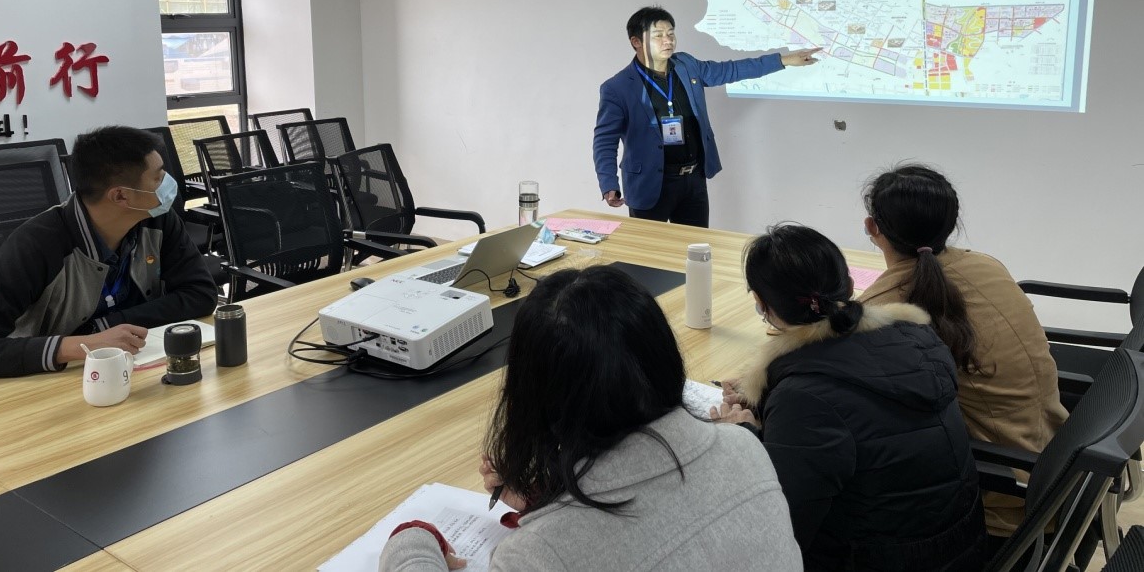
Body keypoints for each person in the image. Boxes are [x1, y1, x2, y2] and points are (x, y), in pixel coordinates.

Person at [379, 266, 802, 572]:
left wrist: (413, 540)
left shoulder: (538, 556)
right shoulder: (746, 449)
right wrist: (550, 502)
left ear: (534, 398)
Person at [712, 224, 987, 572]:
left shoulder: (804, 399)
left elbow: (776, 533)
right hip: (962, 549)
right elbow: (857, 413)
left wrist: (743, 440)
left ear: (762, 304)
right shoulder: (915, 338)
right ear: (851, 284)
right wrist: (766, 399)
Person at [858, 164, 1066, 540]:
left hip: (1007, 496)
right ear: (950, 223)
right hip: (1056, 458)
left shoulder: (883, 308)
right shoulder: (985, 264)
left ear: (872, 227)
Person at [0, 126, 218, 382]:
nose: (168, 182)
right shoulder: (39, 243)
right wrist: (80, 344)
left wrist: (105, 327)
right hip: (45, 384)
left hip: (131, 372)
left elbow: (201, 293)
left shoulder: (156, 219)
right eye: (158, 177)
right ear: (120, 195)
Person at [593, 5, 819, 226]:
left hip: (693, 179)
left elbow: (731, 69)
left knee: (696, 246)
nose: (668, 40)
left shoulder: (687, 65)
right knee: (650, 249)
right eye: (658, 35)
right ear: (636, 42)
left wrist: (784, 60)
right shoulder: (617, 87)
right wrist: (608, 183)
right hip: (649, 184)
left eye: (671, 33)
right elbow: (605, 140)